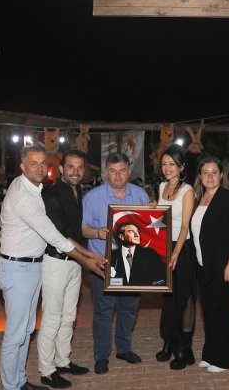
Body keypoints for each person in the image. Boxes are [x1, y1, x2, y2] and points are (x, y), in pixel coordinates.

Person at [0, 144, 106, 390]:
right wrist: (88, 259)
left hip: (33, 266)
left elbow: (69, 233)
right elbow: (55, 236)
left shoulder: (36, 189)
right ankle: (33, 376)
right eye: (33, 163)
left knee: (31, 329)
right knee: (22, 332)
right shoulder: (28, 196)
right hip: (25, 267)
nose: (39, 168)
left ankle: (30, 377)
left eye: (42, 163)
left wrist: (86, 254)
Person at [81, 152, 150, 375]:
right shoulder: (92, 197)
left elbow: (150, 229)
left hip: (132, 263)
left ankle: (124, 348)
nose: (117, 175)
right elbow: (83, 228)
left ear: (129, 172)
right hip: (102, 263)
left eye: (122, 170)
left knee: (129, 309)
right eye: (112, 170)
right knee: (103, 311)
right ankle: (101, 356)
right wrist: (97, 232)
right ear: (105, 173)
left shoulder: (140, 195)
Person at [37, 150, 91, 389]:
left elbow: (76, 229)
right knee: (52, 317)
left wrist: (84, 256)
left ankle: (62, 361)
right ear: (61, 169)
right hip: (56, 263)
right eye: (71, 167)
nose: (75, 172)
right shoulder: (51, 194)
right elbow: (61, 235)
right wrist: (88, 256)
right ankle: (47, 371)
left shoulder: (77, 191)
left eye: (79, 167)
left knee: (68, 316)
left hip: (73, 263)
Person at [191, 156, 229, 373]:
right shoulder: (200, 198)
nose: (210, 176)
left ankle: (225, 359)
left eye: (214, 172)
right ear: (200, 176)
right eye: (206, 172)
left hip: (223, 265)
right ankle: (210, 354)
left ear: (221, 175)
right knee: (209, 311)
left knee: (221, 311)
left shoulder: (228, 199)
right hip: (204, 266)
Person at [154, 145, 197, 370]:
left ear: (181, 167)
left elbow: (184, 226)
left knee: (184, 298)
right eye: (164, 164)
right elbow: (161, 218)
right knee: (168, 297)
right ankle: (169, 341)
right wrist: (151, 208)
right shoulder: (161, 187)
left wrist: (176, 253)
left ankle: (184, 347)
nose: (167, 168)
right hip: (164, 246)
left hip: (183, 248)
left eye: (172, 164)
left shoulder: (187, 190)